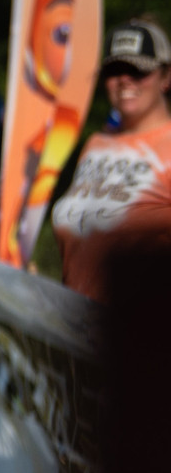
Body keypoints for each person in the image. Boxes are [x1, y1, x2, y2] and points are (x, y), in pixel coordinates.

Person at [50, 17, 171, 299]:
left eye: (138, 70)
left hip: (142, 335)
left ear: (166, 77)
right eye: (114, 70)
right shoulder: (96, 144)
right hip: (74, 327)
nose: (124, 80)